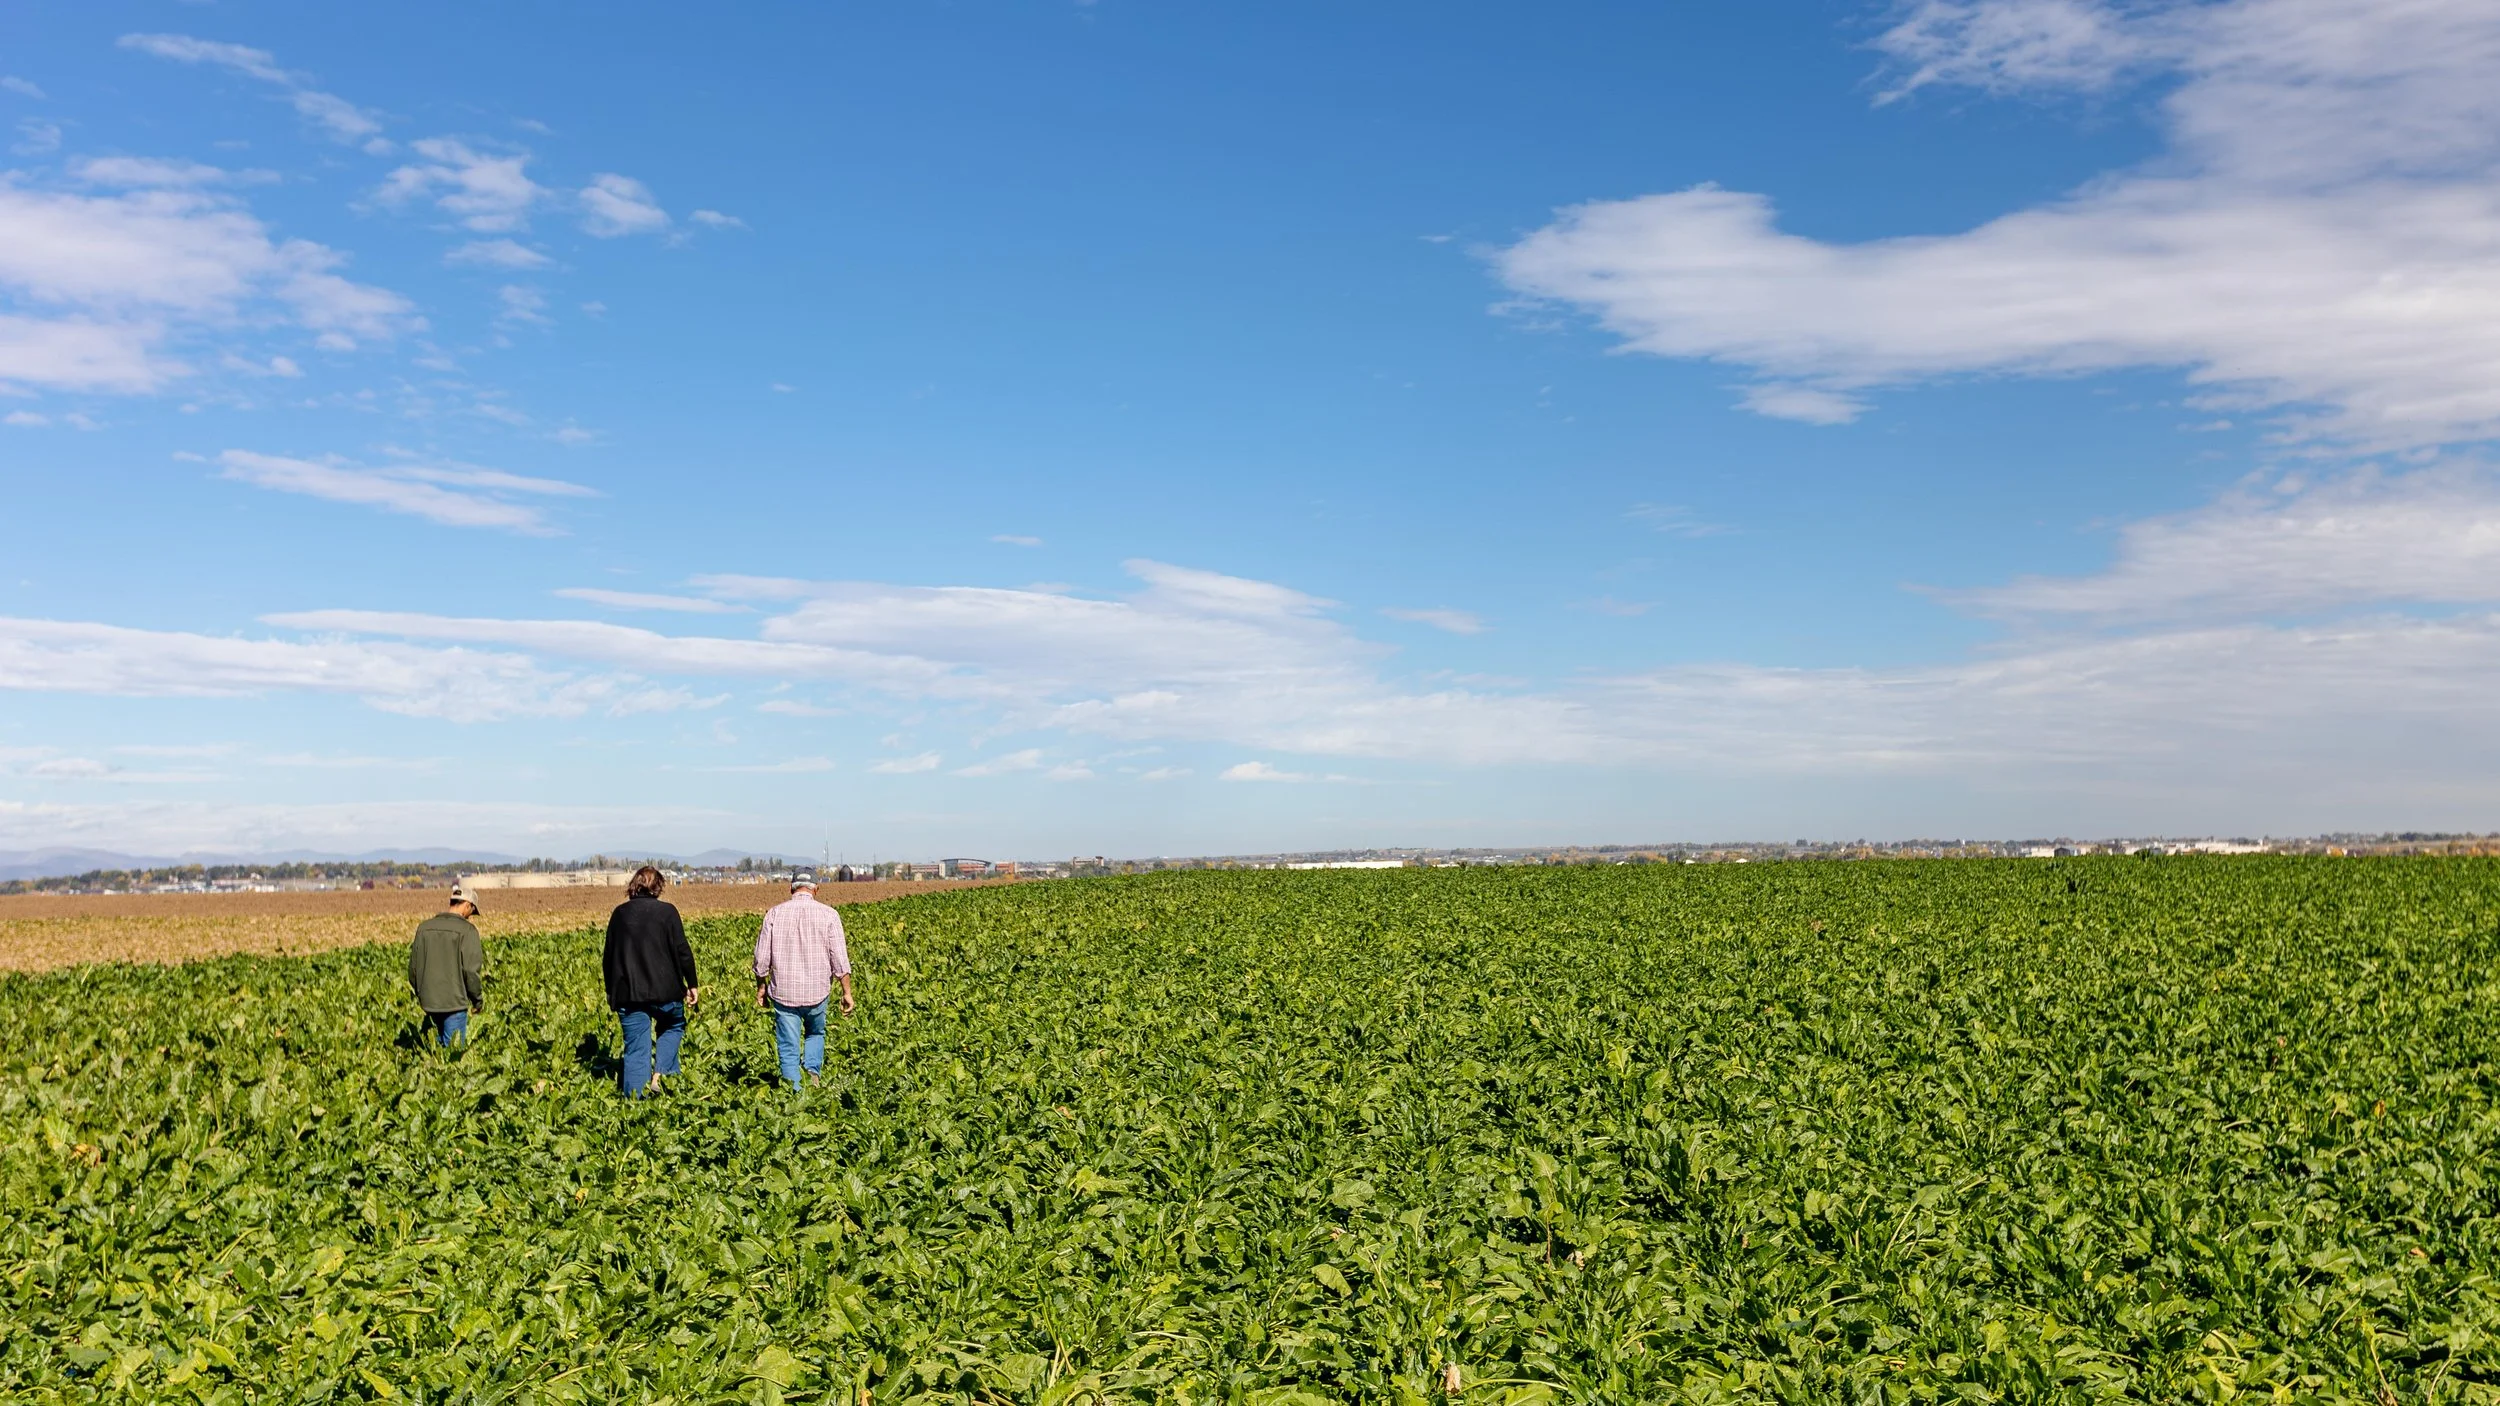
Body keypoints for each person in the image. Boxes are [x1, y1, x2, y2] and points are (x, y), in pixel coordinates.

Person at [602, 865, 699, 1097]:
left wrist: (610, 990)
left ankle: (636, 1106)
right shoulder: (667, 912)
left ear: (634, 885)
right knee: (673, 1026)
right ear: (658, 887)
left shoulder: (619, 914)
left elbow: (608, 957)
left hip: (629, 994)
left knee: (636, 1050)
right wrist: (692, 983)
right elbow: (683, 951)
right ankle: (660, 1077)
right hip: (667, 992)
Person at [753, 871, 855, 1089]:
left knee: (788, 1045)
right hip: (817, 992)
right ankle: (812, 1074)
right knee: (815, 1033)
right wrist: (846, 992)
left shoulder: (774, 914)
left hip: (784, 992)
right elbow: (839, 958)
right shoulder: (829, 915)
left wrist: (761, 986)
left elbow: (761, 959)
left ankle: (794, 1091)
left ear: (791, 888)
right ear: (816, 889)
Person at [408, 884, 487, 1048]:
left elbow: (413, 969)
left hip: (429, 1002)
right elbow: (471, 972)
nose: (470, 917)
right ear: (467, 905)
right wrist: (477, 1001)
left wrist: (421, 993)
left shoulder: (424, 928)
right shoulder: (468, 931)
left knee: (433, 1049)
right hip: (454, 1003)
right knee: (453, 1053)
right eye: (472, 911)